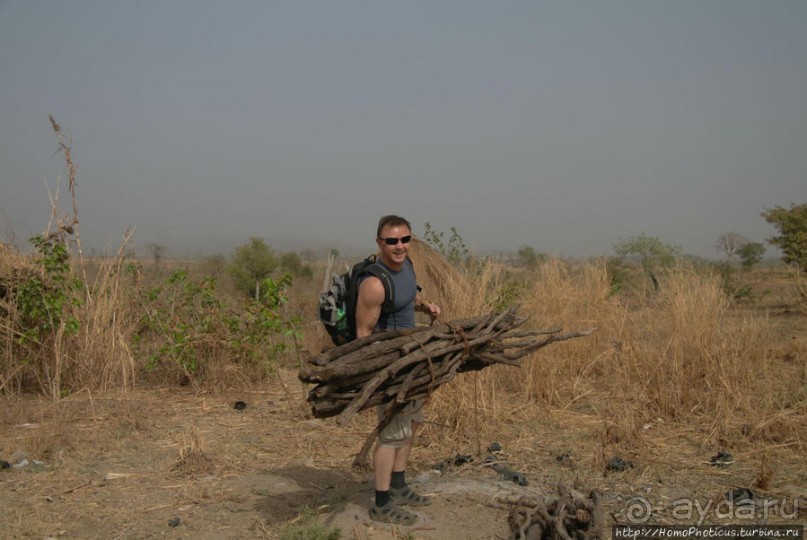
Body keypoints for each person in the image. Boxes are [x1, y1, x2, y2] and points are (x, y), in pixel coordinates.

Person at [355, 214, 441, 526]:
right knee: (391, 434)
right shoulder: (374, 285)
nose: (399, 245)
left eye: (404, 239)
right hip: (391, 367)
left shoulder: (407, 267)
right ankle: (381, 503)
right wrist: (378, 379)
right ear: (379, 243)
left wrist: (425, 305)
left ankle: (400, 485)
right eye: (391, 241)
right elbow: (362, 336)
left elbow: (409, 296)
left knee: (412, 422)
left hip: (412, 361)